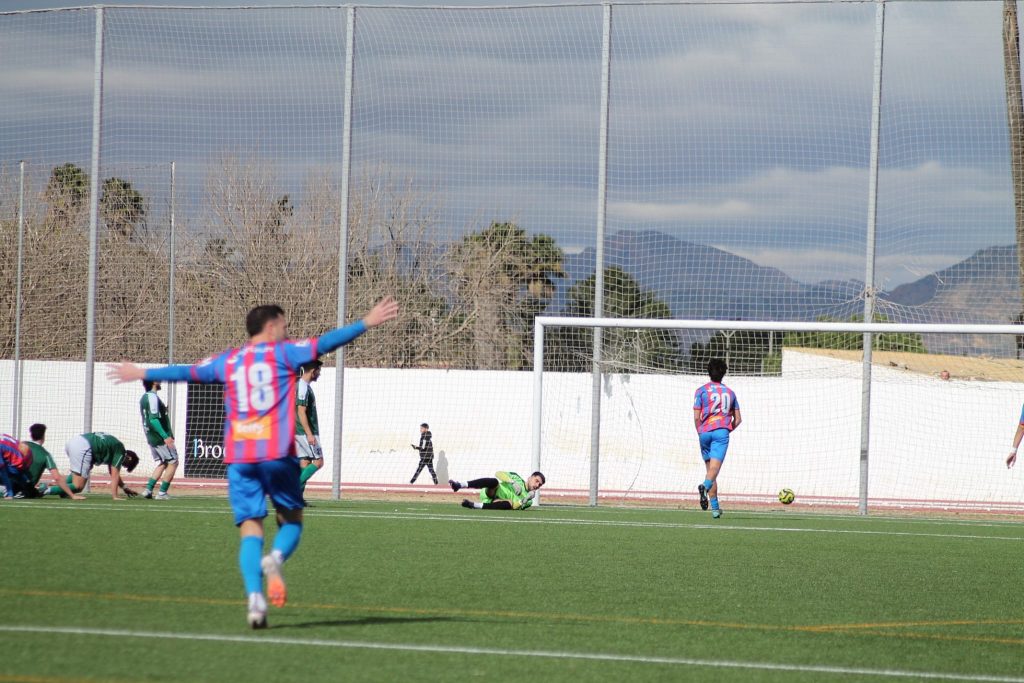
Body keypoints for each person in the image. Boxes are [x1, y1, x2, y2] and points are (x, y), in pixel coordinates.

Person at [107, 297, 399, 629]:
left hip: (241, 458)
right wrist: (366, 322)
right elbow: (326, 342)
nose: (287, 331)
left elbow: (186, 371)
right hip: (277, 454)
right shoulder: (284, 353)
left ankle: (255, 600)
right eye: (285, 325)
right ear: (271, 326)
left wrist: (142, 372)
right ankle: (275, 559)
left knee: (250, 530)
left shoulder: (229, 360)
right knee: (291, 521)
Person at [694, 358, 741, 519]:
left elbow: (696, 417)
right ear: (724, 373)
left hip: (704, 433)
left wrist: (700, 432)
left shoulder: (701, 391)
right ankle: (704, 487)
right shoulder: (730, 393)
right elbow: (738, 419)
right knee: (714, 471)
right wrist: (726, 430)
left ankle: (715, 509)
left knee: (710, 471)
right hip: (721, 433)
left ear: (708, 372)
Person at [56, 432, 140, 500]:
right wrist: (115, 496)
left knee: (84, 470)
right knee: (79, 486)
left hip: (75, 442)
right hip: (84, 447)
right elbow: (115, 476)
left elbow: (113, 474)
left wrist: (125, 488)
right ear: (129, 458)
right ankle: (48, 489)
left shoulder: (115, 448)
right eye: (127, 465)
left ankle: (63, 491)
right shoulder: (121, 451)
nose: (124, 466)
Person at [22, 424, 84, 499]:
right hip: (24, 491)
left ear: (31, 435)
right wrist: (72, 495)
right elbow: (57, 477)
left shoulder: (20, 445)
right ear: (43, 436)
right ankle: (42, 490)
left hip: (11, 487)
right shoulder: (45, 455)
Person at [140, 380, 177, 499]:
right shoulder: (152, 397)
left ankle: (148, 490)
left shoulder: (144, 397)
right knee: (173, 462)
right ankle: (162, 493)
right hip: (158, 436)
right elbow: (153, 419)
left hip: (150, 435)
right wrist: (165, 436)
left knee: (163, 463)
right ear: (154, 382)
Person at [295, 360, 324, 493]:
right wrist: (309, 434)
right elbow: (301, 411)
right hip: (305, 432)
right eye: (319, 371)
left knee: (305, 462)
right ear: (313, 371)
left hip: (298, 431)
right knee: (319, 462)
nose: (319, 374)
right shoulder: (303, 387)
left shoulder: (300, 385)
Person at [449, 471, 545, 510]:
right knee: (494, 481)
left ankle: (474, 505)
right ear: (530, 477)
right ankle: (459, 485)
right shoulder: (516, 478)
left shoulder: (529, 501)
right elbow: (498, 473)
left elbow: (514, 507)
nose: (537, 485)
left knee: (509, 504)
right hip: (491, 492)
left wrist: (525, 499)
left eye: (540, 485)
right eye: (536, 481)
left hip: (497, 502)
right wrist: (512, 482)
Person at [1, 433, 32, 499]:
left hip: (21, 459)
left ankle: (13, 489)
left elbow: (2, 470)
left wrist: (10, 493)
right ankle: (28, 485)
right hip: (27, 453)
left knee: (4, 471)